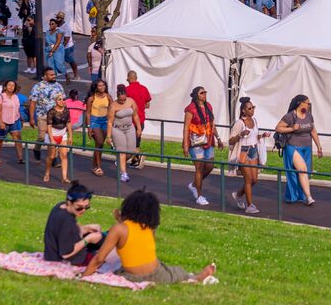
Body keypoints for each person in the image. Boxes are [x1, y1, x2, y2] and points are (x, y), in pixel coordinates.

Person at [80, 190, 217, 284]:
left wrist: (84, 276)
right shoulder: (149, 228)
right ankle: (195, 278)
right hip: (157, 273)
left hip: (132, 277)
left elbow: (99, 258)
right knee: (179, 272)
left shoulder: (119, 229)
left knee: (114, 267)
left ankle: (194, 279)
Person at [275, 93, 323, 205]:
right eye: (307, 103)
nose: (309, 105)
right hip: (293, 147)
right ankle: (309, 197)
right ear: (300, 103)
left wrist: (319, 146)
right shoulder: (290, 116)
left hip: (307, 148)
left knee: (303, 173)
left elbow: (313, 131)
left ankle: (297, 196)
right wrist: (292, 128)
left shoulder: (309, 116)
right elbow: (278, 128)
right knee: (302, 169)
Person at [43, 181, 105, 265]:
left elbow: (68, 230)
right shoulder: (66, 220)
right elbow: (66, 254)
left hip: (52, 254)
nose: (83, 210)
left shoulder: (61, 206)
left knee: (103, 239)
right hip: (67, 259)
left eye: (86, 207)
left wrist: (85, 228)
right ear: (69, 203)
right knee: (106, 258)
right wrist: (88, 239)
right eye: (79, 208)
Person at [228, 97, 272, 214]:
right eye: (250, 108)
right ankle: (249, 205)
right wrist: (240, 135)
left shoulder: (255, 120)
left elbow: (255, 136)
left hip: (254, 151)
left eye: (253, 107)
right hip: (243, 152)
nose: (252, 110)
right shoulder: (239, 123)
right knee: (248, 179)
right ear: (243, 111)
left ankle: (238, 195)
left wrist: (262, 135)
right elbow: (231, 140)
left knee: (254, 180)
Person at [182, 86, 221, 206]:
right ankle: (199, 195)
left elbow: (212, 124)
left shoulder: (208, 106)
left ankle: (194, 185)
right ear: (196, 95)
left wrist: (218, 138)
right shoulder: (190, 109)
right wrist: (185, 144)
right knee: (199, 168)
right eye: (201, 93)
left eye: (205, 92)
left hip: (208, 140)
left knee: (209, 166)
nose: (204, 94)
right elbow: (186, 127)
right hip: (196, 143)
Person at [106, 84, 142, 183]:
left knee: (131, 151)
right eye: (120, 100)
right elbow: (109, 122)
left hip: (130, 128)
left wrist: (139, 128)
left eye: (124, 99)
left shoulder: (131, 101)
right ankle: (123, 173)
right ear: (117, 96)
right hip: (117, 129)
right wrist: (109, 136)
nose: (122, 101)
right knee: (121, 151)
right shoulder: (113, 105)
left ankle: (120, 161)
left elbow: (135, 116)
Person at [29, 68, 65, 164]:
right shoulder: (37, 87)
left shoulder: (59, 86)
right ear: (45, 76)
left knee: (52, 137)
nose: (54, 76)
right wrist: (31, 118)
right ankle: (37, 149)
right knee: (41, 136)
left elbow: (62, 101)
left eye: (54, 74)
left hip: (55, 116)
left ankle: (53, 157)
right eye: (51, 75)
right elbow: (32, 102)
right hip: (42, 115)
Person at [124, 71, 152, 169]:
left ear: (129, 78)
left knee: (129, 142)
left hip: (129, 120)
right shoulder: (144, 89)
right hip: (141, 119)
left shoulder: (126, 90)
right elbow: (147, 105)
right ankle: (135, 160)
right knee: (137, 140)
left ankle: (139, 155)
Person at [0, 79, 24, 165]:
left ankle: (20, 158)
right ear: (5, 87)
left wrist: (21, 118)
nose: (11, 87)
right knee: (0, 139)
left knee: (18, 138)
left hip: (15, 120)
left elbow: (17, 108)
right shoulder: (1, 97)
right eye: (9, 85)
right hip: (3, 120)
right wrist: (1, 122)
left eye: (13, 85)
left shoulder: (16, 96)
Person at [43, 94, 73, 184]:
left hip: (62, 134)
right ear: (56, 101)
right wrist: (51, 139)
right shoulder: (51, 112)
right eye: (59, 99)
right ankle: (47, 173)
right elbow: (48, 126)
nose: (62, 101)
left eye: (63, 99)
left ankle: (64, 177)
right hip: (52, 134)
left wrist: (70, 136)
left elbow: (68, 123)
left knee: (64, 155)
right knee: (51, 156)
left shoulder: (67, 111)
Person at [86, 79, 111, 176]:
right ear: (95, 87)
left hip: (104, 121)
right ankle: (99, 166)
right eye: (100, 86)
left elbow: (111, 110)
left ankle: (95, 165)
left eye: (103, 85)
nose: (102, 87)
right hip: (94, 121)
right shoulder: (91, 98)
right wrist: (88, 127)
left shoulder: (108, 97)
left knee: (100, 145)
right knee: (99, 142)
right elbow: (87, 113)